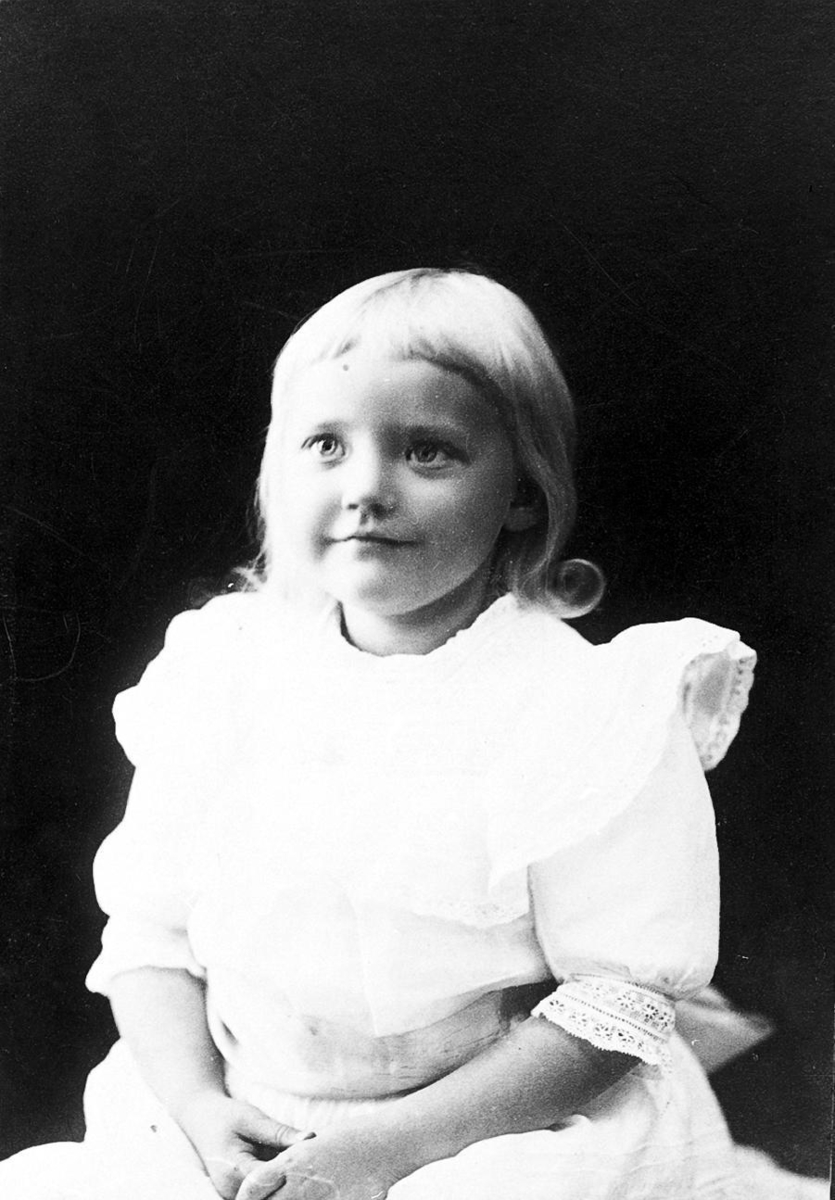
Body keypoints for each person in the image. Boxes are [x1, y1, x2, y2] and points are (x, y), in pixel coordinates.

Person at [2, 268, 827, 1200]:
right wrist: (198, 1107)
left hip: (495, 1130)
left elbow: (614, 1005)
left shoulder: (582, 705)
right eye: (325, 445)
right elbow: (151, 941)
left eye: (427, 452)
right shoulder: (224, 673)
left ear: (522, 492)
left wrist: (384, 1154)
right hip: (240, 1116)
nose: (366, 489)